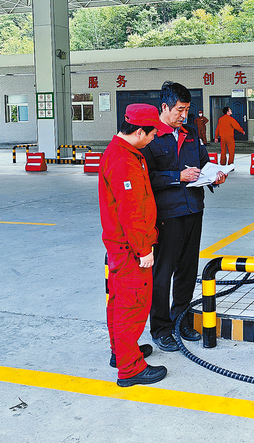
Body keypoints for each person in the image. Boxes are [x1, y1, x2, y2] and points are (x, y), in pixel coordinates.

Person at [142, 82, 227, 352]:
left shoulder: (191, 134)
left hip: (193, 209)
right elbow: (146, 177)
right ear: (164, 107)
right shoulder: (150, 136)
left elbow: (203, 163)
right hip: (167, 215)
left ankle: (181, 321)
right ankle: (161, 328)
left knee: (188, 271)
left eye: (187, 109)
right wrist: (177, 176)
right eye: (180, 109)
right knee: (163, 272)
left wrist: (214, 176)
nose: (184, 115)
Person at [99, 103, 168, 387]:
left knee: (118, 301)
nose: (154, 139)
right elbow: (131, 211)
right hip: (130, 248)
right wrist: (144, 250)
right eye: (152, 134)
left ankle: (121, 352)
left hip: (119, 245)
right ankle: (130, 369)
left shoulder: (122, 152)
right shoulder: (123, 160)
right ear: (139, 131)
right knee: (132, 305)